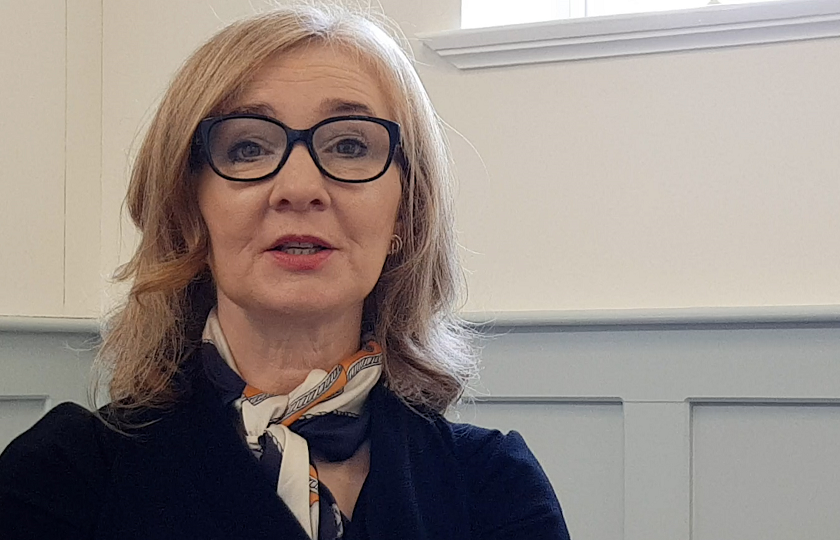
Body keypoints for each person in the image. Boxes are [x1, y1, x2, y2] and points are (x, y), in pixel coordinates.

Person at [0, 4, 571, 539]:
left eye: (350, 144)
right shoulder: (62, 476)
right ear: (189, 209)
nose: (299, 189)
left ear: (406, 212)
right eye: (248, 147)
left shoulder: (495, 486)